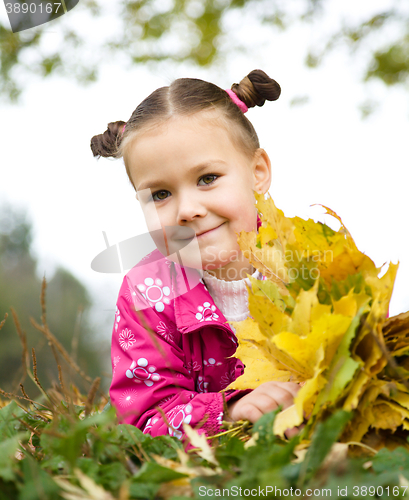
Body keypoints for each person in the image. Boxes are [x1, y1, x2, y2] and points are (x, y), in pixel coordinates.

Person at [90, 69, 299, 441]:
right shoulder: (146, 294)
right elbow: (144, 414)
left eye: (207, 179)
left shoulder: (305, 258)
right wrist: (230, 411)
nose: (187, 210)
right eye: (160, 195)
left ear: (257, 171)